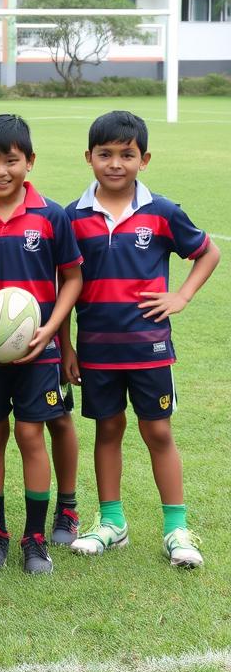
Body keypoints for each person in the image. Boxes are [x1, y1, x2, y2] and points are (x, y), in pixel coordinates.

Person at [64, 110, 220, 567]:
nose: (116, 163)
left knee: (157, 431)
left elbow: (207, 251)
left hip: (149, 348)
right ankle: (112, 522)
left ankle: (177, 528)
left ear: (144, 159)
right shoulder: (73, 217)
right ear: (88, 158)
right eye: (105, 154)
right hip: (96, 349)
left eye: (126, 155)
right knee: (107, 429)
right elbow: (64, 286)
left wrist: (182, 296)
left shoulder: (161, 212)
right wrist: (68, 348)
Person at [0, 114, 83, 574]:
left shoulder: (51, 215)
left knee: (31, 433)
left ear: (29, 161)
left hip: (39, 350)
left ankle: (35, 537)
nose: (0, 171)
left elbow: (71, 278)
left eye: (10, 160)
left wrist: (51, 328)